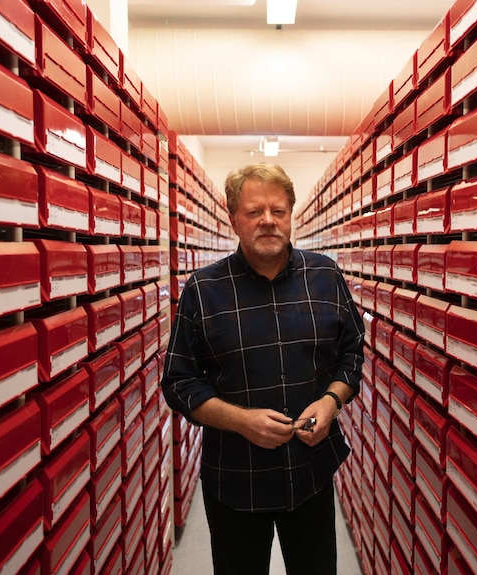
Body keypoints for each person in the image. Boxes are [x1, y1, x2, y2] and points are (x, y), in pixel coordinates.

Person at [161, 162, 365, 575]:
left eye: (278, 210)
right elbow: (178, 382)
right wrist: (239, 420)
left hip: (311, 475)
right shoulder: (203, 290)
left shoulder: (325, 275)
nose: (268, 221)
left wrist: (331, 401)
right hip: (235, 481)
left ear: (292, 213)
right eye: (255, 212)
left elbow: (353, 352)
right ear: (233, 217)